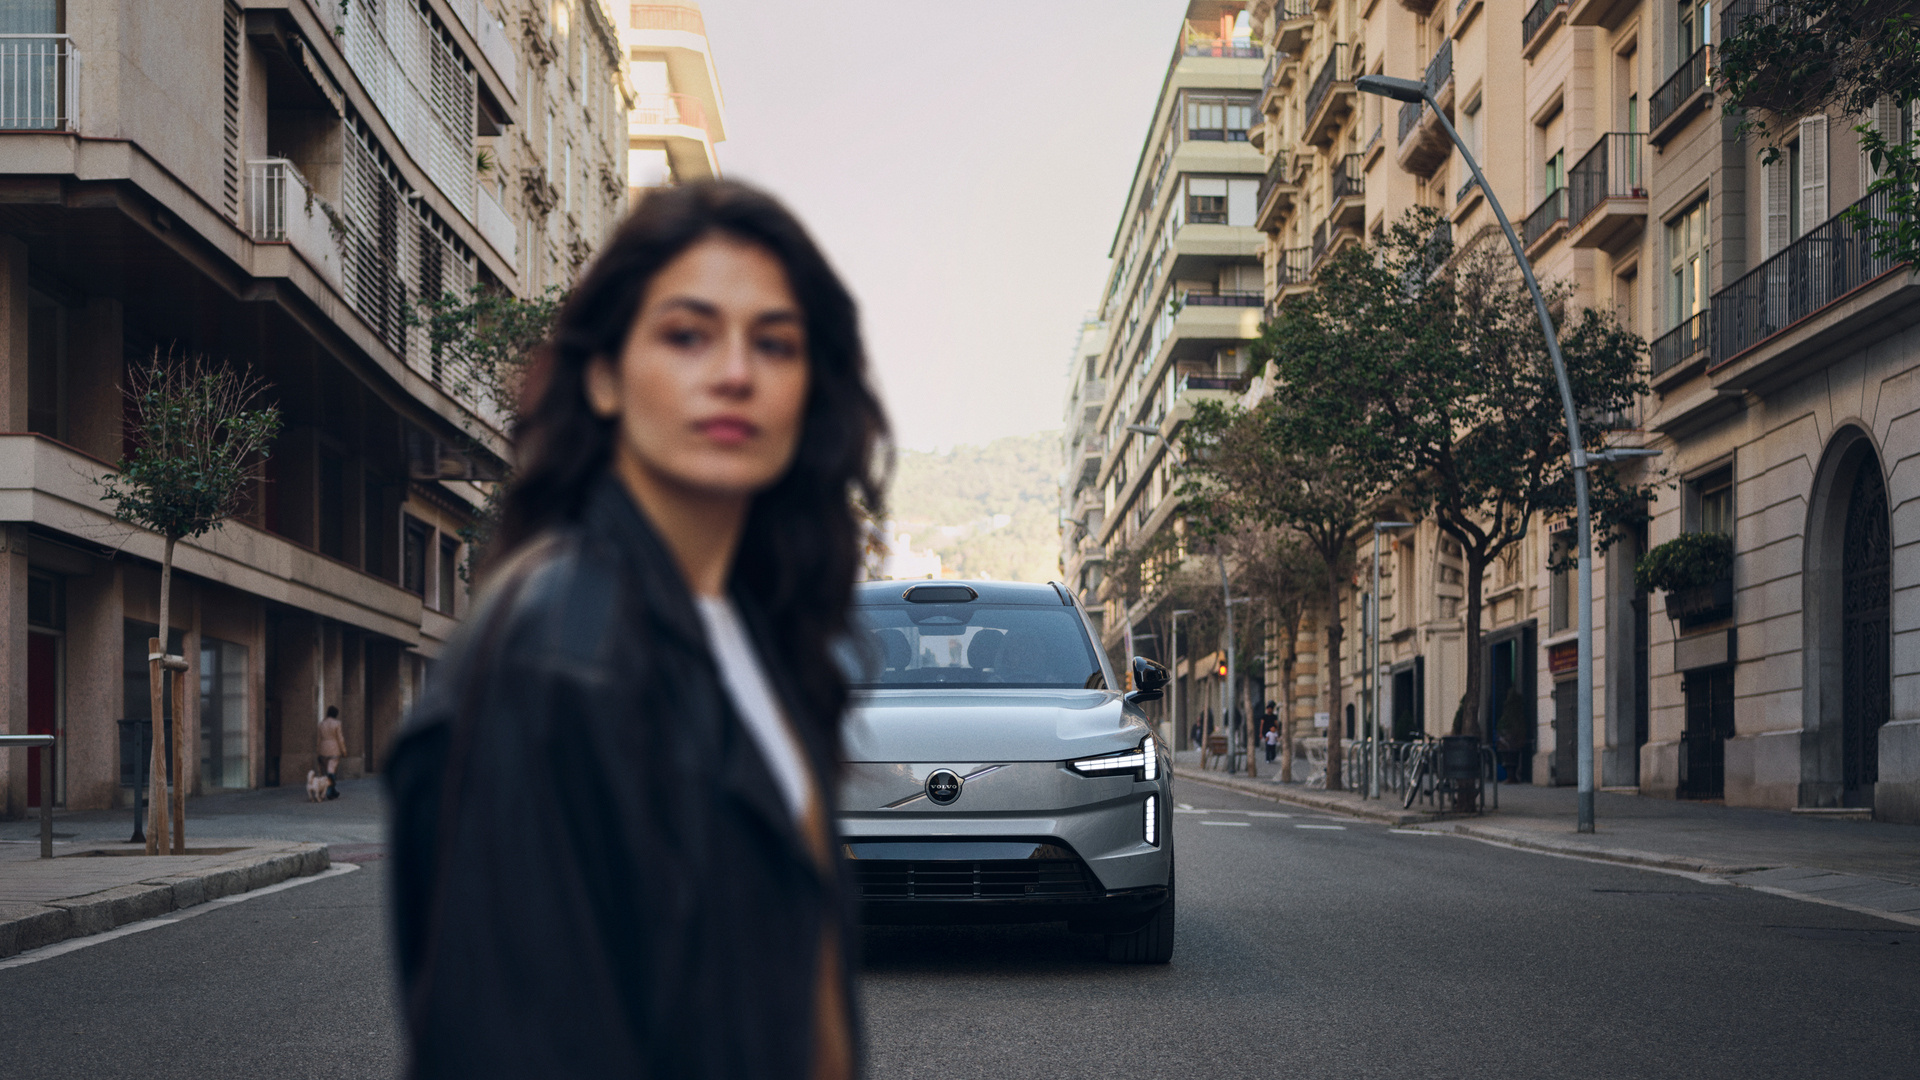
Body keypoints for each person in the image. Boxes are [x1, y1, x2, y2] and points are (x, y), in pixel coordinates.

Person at [386, 181, 887, 1079]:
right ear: (606, 375)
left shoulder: (755, 632)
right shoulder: (555, 655)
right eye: (687, 334)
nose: (735, 371)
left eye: (775, 343)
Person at [316, 705, 345, 799]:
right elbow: (340, 739)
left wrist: (318, 751)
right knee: (331, 770)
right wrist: (343, 750)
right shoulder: (337, 723)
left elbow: (318, 739)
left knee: (326, 772)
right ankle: (329, 791)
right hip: (334, 749)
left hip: (323, 749)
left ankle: (333, 791)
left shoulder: (321, 724)